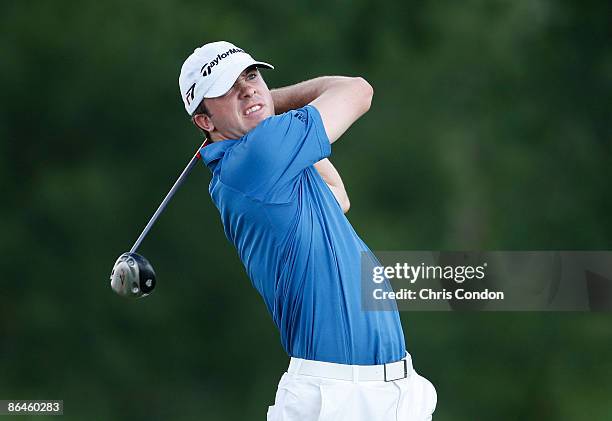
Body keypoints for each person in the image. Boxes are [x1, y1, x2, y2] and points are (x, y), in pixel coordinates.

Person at [178, 41, 437, 420]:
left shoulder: (261, 164)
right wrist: (271, 102)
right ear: (204, 121)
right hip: (336, 398)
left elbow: (338, 196)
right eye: (227, 88)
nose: (248, 87)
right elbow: (358, 91)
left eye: (251, 76)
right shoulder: (258, 157)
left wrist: (256, 105)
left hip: (393, 392)